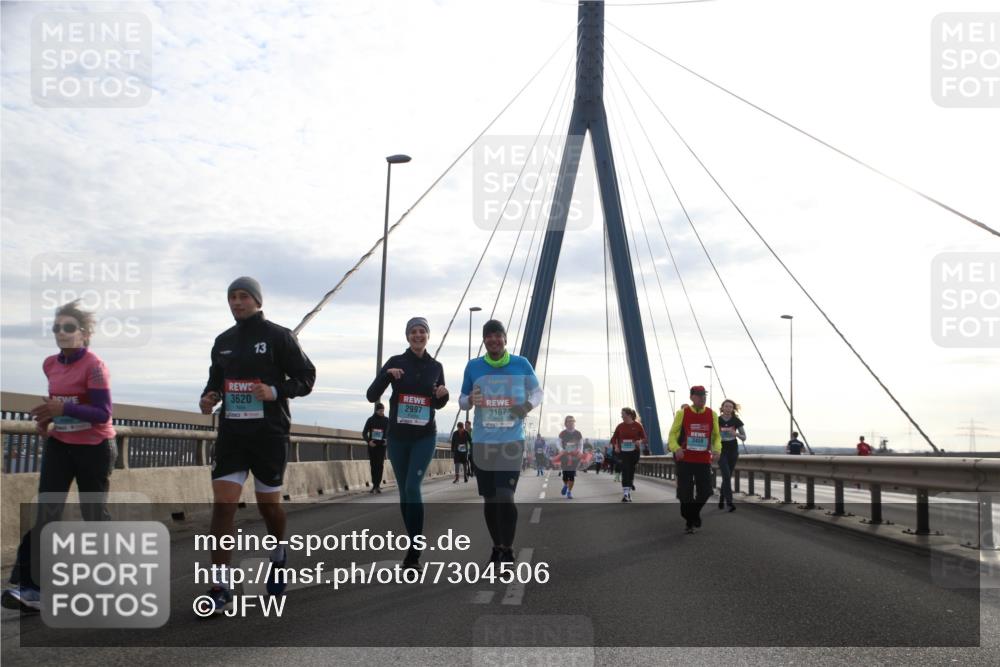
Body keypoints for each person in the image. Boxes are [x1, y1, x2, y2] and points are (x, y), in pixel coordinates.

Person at [198, 277, 316, 613]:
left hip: (269, 434)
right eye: (232, 297)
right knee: (223, 505)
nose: (237, 302)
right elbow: (215, 382)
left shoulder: (279, 336)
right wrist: (210, 397)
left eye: (243, 297)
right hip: (233, 435)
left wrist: (275, 391)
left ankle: (278, 554)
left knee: (268, 507)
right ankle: (220, 585)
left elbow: (306, 377)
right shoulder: (223, 341)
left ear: (257, 301)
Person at [2, 301, 117, 612]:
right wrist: (47, 420)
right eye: (56, 328)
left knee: (93, 516)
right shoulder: (50, 364)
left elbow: (103, 412)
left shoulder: (94, 366)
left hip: (94, 447)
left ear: (84, 333)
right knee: (47, 513)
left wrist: (62, 409)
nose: (61, 333)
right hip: (60, 445)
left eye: (68, 328)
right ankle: (32, 588)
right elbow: (58, 403)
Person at [367, 317, 449, 569]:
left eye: (422, 331)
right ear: (407, 336)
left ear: (428, 335)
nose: (418, 335)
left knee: (413, 487)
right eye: (413, 331)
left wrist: (442, 397)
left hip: (424, 436)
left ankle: (414, 549)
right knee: (404, 493)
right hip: (398, 437)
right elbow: (372, 394)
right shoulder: (396, 362)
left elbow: (438, 400)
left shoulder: (436, 366)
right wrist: (386, 376)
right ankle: (412, 542)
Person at [459, 319, 542, 564]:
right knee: (490, 499)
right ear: (484, 340)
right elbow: (462, 400)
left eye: (498, 335)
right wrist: (470, 399)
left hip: (511, 442)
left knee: (505, 496)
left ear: (505, 339)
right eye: (489, 336)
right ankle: (496, 545)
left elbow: (538, 393)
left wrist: (526, 405)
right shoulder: (473, 366)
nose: (493, 340)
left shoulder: (521, 364)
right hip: (483, 443)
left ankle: (507, 547)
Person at [667, 386, 722, 533]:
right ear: (691, 397)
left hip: (703, 460)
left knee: (706, 491)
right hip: (685, 459)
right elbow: (672, 435)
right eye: (698, 395)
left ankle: (694, 513)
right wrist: (676, 448)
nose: (702, 398)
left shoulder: (712, 414)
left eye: (704, 395)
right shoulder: (682, 413)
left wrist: (717, 449)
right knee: (685, 493)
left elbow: (716, 436)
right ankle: (689, 521)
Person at [611, 408, 647, 503]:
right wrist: (616, 447)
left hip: (634, 452)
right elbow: (614, 438)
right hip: (623, 453)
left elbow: (644, 438)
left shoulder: (638, 425)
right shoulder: (620, 426)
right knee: (625, 470)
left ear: (629, 415)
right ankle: (626, 494)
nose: (621, 416)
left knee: (630, 470)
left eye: (622, 414)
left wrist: (639, 441)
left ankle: (630, 484)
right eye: (621, 414)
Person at [717, 399, 746, 511]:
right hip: (721, 451)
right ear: (722, 408)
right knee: (726, 475)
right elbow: (712, 435)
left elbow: (744, 437)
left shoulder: (736, 421)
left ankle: (721, 497)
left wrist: (736, 434)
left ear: (733, 409)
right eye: (726, 406)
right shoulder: (717, 420)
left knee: (727, 477)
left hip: (733, 451)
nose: (728, 408)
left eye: (730, 407)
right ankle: (730, 503)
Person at [363, 403, 389, 493]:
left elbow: (391, 432)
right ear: (376, 410)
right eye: (380, 411)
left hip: (382, 446)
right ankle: (374, 485)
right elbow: (364, 433)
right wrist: (369, 441)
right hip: (373, 446)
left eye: (383, 410)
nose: (382, 412)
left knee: (380, 465)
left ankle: (377, 485)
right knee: (373, 466)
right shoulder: (370, 420)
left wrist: (387, 440)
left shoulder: (386, 420)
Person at [556, 416, 583, 499]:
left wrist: (580, 451)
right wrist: (561, 449)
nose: (571, 423)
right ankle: (566, 485)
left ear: (574, 423)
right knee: (565, 475)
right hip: (565, 456)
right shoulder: (562, 433)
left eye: (572, 421)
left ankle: (569, 492)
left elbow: (581, 444)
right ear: (566, 423)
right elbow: (558, 443)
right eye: (569, 421)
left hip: (574, 457)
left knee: (571, 475)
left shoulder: (578, 433)